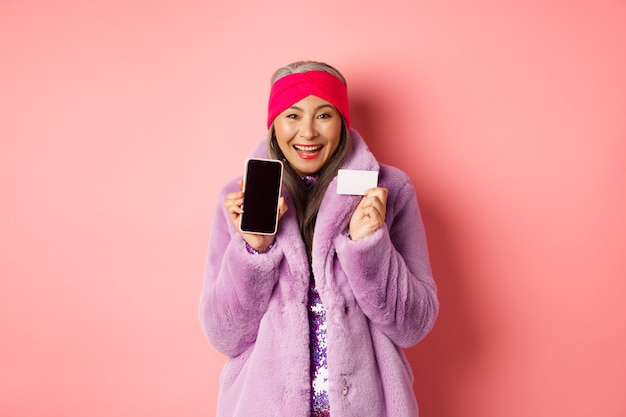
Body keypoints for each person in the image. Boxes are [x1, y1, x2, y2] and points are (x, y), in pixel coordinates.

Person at [198, 61, 438, 417]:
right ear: (274, 125)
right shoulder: (239, 200)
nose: (307, 133)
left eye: (324, 115)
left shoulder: (389, 191)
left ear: (342, 121)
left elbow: (413, 326)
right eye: (292, 116)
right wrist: (253, 250)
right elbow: (224, 335)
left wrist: (369, 247)